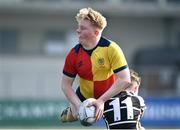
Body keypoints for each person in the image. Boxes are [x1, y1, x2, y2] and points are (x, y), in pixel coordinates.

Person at [60, 7, 131, 123]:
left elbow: (125, 79)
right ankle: (68, 113)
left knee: (126, 120)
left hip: (110, 95)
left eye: (82, 28)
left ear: (96, 32)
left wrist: (101, 100)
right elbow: (65, 85)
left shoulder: (111, 49)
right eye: (78, 27)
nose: (78, 31)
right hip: (84, 96)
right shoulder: (73, 54)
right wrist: (79, 106)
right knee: (73, 116)